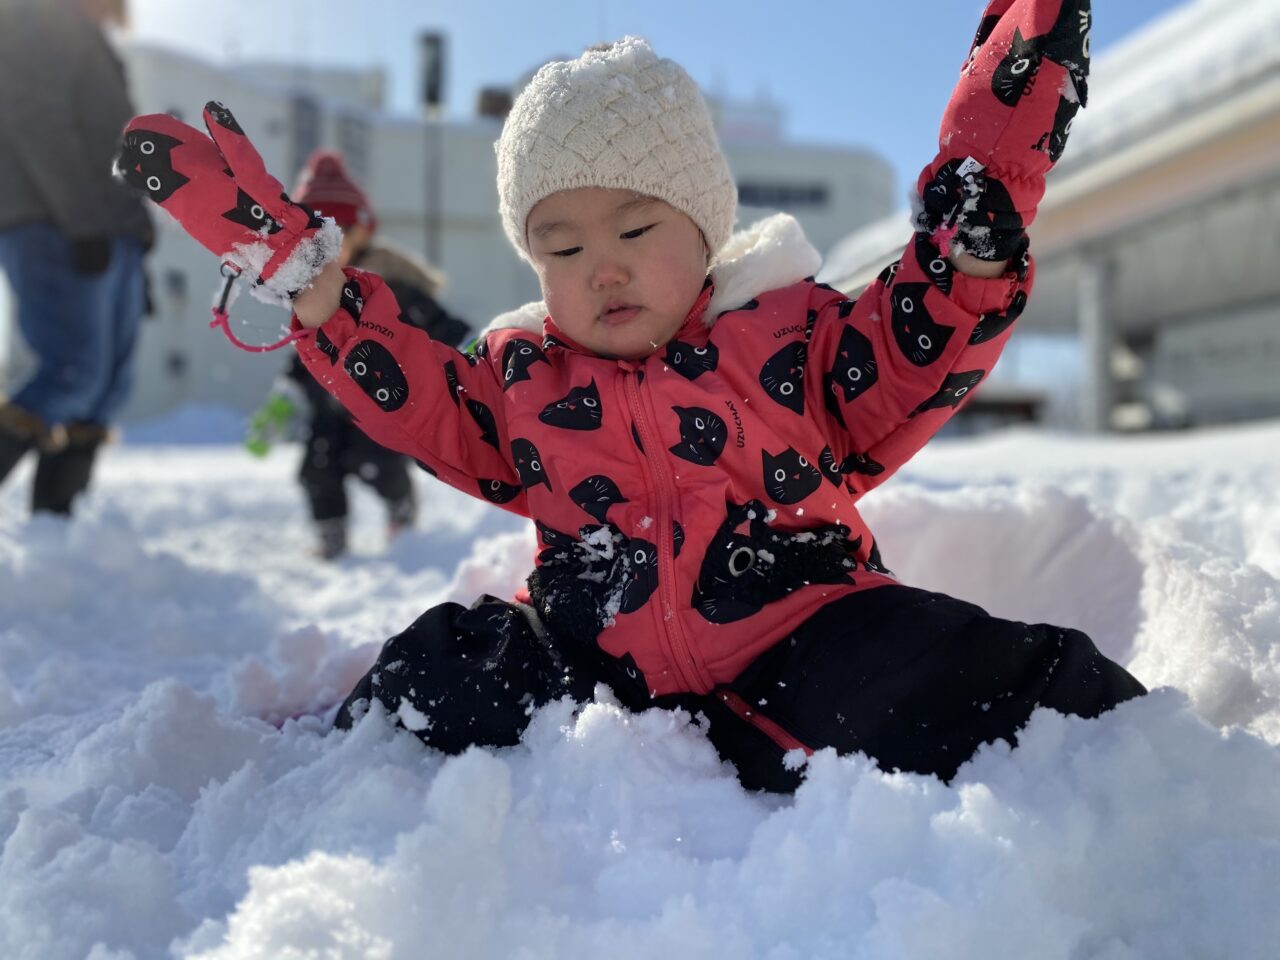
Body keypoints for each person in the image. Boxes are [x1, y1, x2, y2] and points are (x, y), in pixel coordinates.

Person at [119, 0, 1143, 791]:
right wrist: (315, 290)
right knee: (445, 661)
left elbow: (911, 348)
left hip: (801, 632)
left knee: (965, 670)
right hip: (590, 657)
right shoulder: (522, 375)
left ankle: (1147, 763)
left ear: (704, 231)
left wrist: (973, 231)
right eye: (560, 248)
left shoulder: (790, 333)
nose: (600, 267)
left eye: (635, 230)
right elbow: (424, 398)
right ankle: (340, 758)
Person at [246, 149, 470, 559]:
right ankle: (331, 534)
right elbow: (303, 351)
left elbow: (442, 325)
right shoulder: (310, 293)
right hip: (328, 405)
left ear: (362, 233)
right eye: (314, 238)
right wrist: (286, 396)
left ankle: (401, 511)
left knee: (378, 463)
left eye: (339, 234)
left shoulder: (390, 285)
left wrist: (471, 349)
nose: (328, 249)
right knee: (317, 468)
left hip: (382, 401)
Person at [0, 0, 152, 515]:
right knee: (70, 373)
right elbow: (36, 123)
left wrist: (136, 231)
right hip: (53, 221)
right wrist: (84, 223)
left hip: (112, 230)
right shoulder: (38, 19)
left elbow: (114, 146)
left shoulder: (92, 37)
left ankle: (54, 534)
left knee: (106, 390)